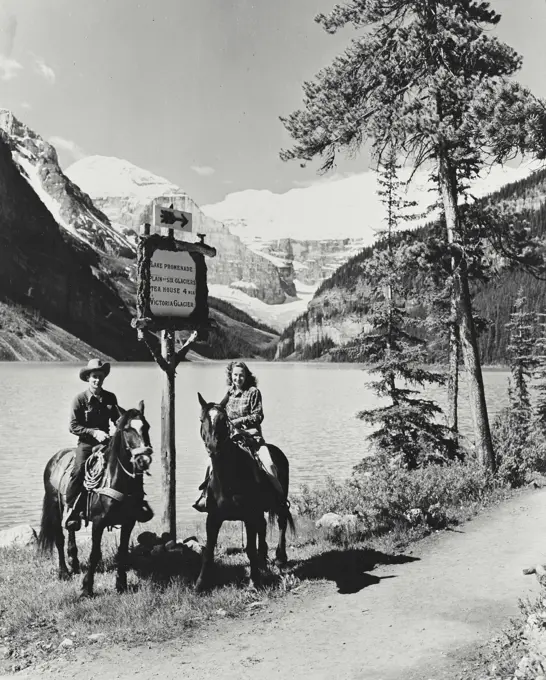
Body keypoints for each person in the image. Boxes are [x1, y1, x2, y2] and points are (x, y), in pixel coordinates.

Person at [193, 361, 284, 512]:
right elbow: (220, 408)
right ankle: (206, 496)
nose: (238, 378)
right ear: (231, 376)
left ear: (246, 376)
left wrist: (236, 421)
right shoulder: (230, 392)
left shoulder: (253, 392)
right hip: (232, 438)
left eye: (241, 375)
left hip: (252, 438)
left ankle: (278, 498)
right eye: (235, 375)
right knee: (210, 463)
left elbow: (258, 416)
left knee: (270, 465)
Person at [64, 358, 121, 530]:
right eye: (94, 376)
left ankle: (125, 505)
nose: (97, 380)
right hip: (87, 444)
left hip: (105, 443)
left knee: (124, 465)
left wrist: (121, 427)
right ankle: (71, 509)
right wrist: (94, 432)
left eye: (100, 377)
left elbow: (116, 419)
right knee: (78, 470)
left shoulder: (110, 398)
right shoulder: (80, 400)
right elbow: (73, 426)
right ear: (88, 378)